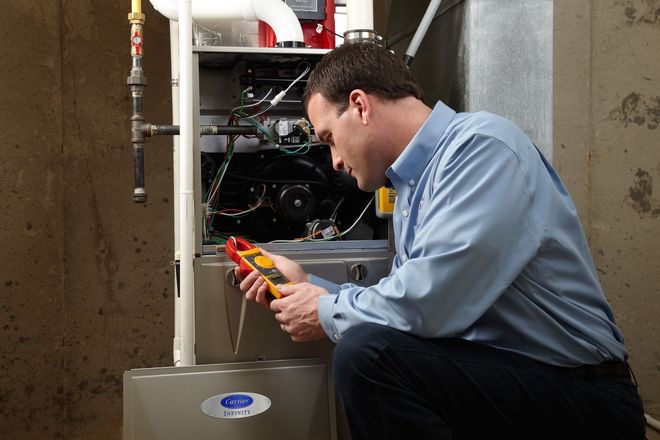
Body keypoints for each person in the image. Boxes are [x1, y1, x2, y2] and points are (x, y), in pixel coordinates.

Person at [235, 42, 645, 439]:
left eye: (328, 139)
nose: (335, 162)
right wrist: (307, 286)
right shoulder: (412, 187)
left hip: (585, 400)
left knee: (369, 357)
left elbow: (430, 303)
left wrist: (324, 311)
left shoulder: (482, 146)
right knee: (373, 348)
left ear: (360, 106)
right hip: (514, 382)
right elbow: (405, 304)